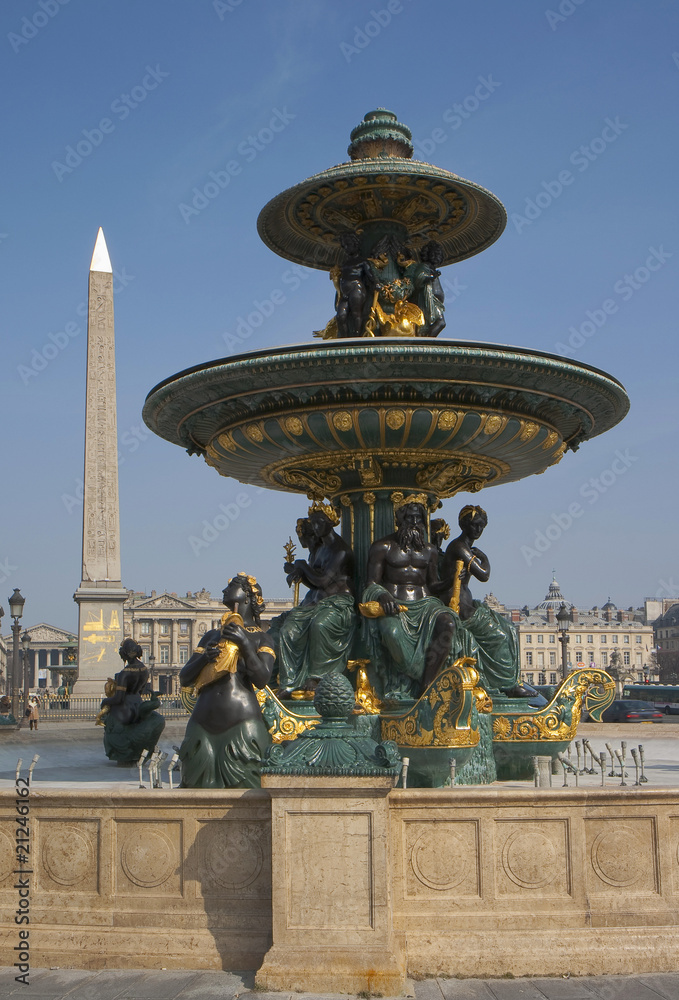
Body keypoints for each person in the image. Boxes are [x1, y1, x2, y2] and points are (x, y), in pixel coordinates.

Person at [178, 573, 274, 788]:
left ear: (247, 596)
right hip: (202, 723)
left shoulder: (262, 637)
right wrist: (204, 658)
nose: (224, 591)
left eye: (231, 586)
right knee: (194, 789)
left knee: (246, 791)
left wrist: (245, 645)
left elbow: (262, 678)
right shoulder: (211, 636)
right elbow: (185, 677)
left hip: (241, 724)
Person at [362, 496, 457, 699]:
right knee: (392, 632)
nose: (414, 523)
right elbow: (370, 583)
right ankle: (415, 673)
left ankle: (427, 683)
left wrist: (452, 580)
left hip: (426, 606)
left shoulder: (430, 551)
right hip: (395, 606)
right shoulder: (383, 547)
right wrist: (382, 595)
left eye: (418, 519)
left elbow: (432, 584)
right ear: (399, 520)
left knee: (448, 624)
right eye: (409, 518)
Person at [440, 505, 530, 698]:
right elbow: (484, 575)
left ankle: (512, 682)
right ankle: (507, 685)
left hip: (468, 604)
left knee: (510, 630)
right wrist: (485, 558)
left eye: (482, 526)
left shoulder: (464, 547)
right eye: (474, 525)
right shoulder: (459, 547)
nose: (478, 530)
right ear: (464, 525)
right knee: (500, 637)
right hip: (459, 607)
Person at [277, 501, 356, 695]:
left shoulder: (340, 551)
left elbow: (322, 581)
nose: (315, 527)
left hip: (340, 603)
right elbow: (315, 582)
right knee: (288, 629)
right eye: (313, 523)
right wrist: (299, 573)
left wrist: (302, 566)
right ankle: (289, 682)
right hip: (319, 602)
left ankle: (319, 677)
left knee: (319, 625)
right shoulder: (319, 550)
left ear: (331, 522)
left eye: (320, 522)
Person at [98, 639, 165, 763]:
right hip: (137, 704)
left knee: (110, 723)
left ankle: (121, 750)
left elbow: (119, 698)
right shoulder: (144, 670)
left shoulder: (125, 673)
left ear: (123, 654)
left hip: (125, 708)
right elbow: (140, 691)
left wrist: (105, 701)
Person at [411, 240, 446, 337]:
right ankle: (425, 341)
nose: (437, 256)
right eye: (434, 253)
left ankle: (426, 340)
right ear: (427, 254)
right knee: (441, 323)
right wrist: (430, 277)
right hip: (427, 301)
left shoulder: (432, 269)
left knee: (440, 323)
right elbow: (419, 278)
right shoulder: (424, 267)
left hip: (435, 302)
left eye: (438, 254)